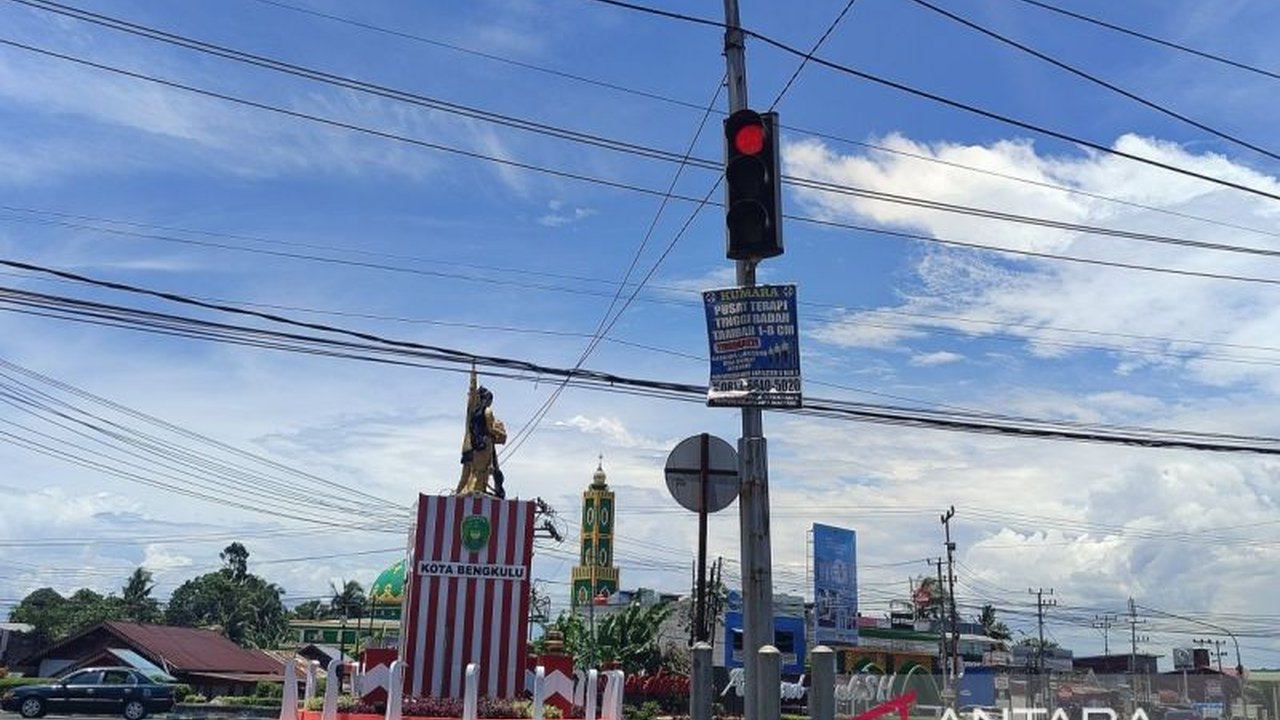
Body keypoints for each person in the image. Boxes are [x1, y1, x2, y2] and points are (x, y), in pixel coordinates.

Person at [455, 384, 508, 496]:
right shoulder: (487, 411)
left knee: (476, 470)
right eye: (489, 400)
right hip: (485, 443)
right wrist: (501, 433)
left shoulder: (475, 413)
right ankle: (477, 490)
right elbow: (490, 428)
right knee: (482, 470)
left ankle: (474, 489)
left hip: (476, 444)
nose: (490, 403)